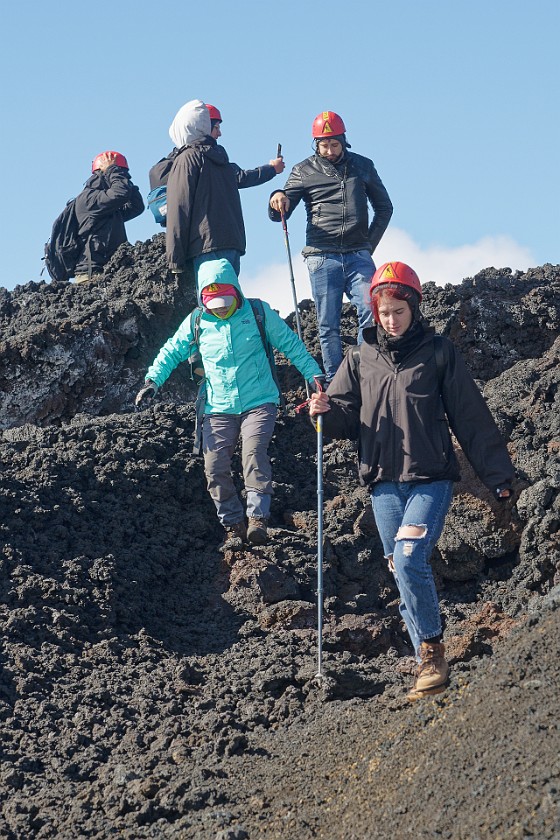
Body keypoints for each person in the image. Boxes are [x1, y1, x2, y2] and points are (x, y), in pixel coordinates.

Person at [309, 261, 515, 701]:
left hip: (430, 479)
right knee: (397, 568)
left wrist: (498, 476)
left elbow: (471, 417)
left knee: (408, 560)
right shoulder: (359, 356)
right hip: (383, 483)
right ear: (375, 310)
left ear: (414, 307)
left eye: (398, 310)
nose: (390, 319)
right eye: (383, 311)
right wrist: (324, 410)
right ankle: (427, 663)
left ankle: (432, 651)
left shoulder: (439, 352)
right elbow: (345, 418)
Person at [136, 258, 322, 548]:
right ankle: (233, 524)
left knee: (253, 453)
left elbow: (290, 344)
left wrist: (313, 374)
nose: (221, 308)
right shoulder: (197, 321)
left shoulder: (258, 312)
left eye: (226, 301)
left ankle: (258, 520)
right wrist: (152, 382)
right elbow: (171, 351)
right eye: (215, 304)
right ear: (203, 300)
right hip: (217, 408)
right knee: (214, 465)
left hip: (259, 401)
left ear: (236, 291)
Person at [269, 110, 393, 382]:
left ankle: (366, 371)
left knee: (371, 310)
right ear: (315, 144)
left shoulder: (363, 166)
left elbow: (384, 208)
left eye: (334, 144)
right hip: (321, 256)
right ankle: (336, 381)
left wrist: (367, 246)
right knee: (327, 324)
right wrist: (276, 196)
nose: (329, 150)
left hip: (358, 253)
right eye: (323, 145)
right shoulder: (303, 170)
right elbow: (280, 209)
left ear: (344, 141)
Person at [154, 100, 284, 282]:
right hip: (232, 244)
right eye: (216, 127)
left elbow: (179, 209)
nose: (220, 133)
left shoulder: (187, 160)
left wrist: (175, 259)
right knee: (230, 305)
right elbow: (242, 177)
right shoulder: (219, 160)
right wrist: (271, 169)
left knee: (213, 306)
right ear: (203, 127)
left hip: (205, 247)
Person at [73, 151, 144, 283]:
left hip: (111, 270)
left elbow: (136, 207)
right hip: (91, 275)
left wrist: (124, 178)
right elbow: (120, 194)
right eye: (116, 172)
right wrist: (114, 170)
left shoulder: (108, 206)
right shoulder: (89, 198)